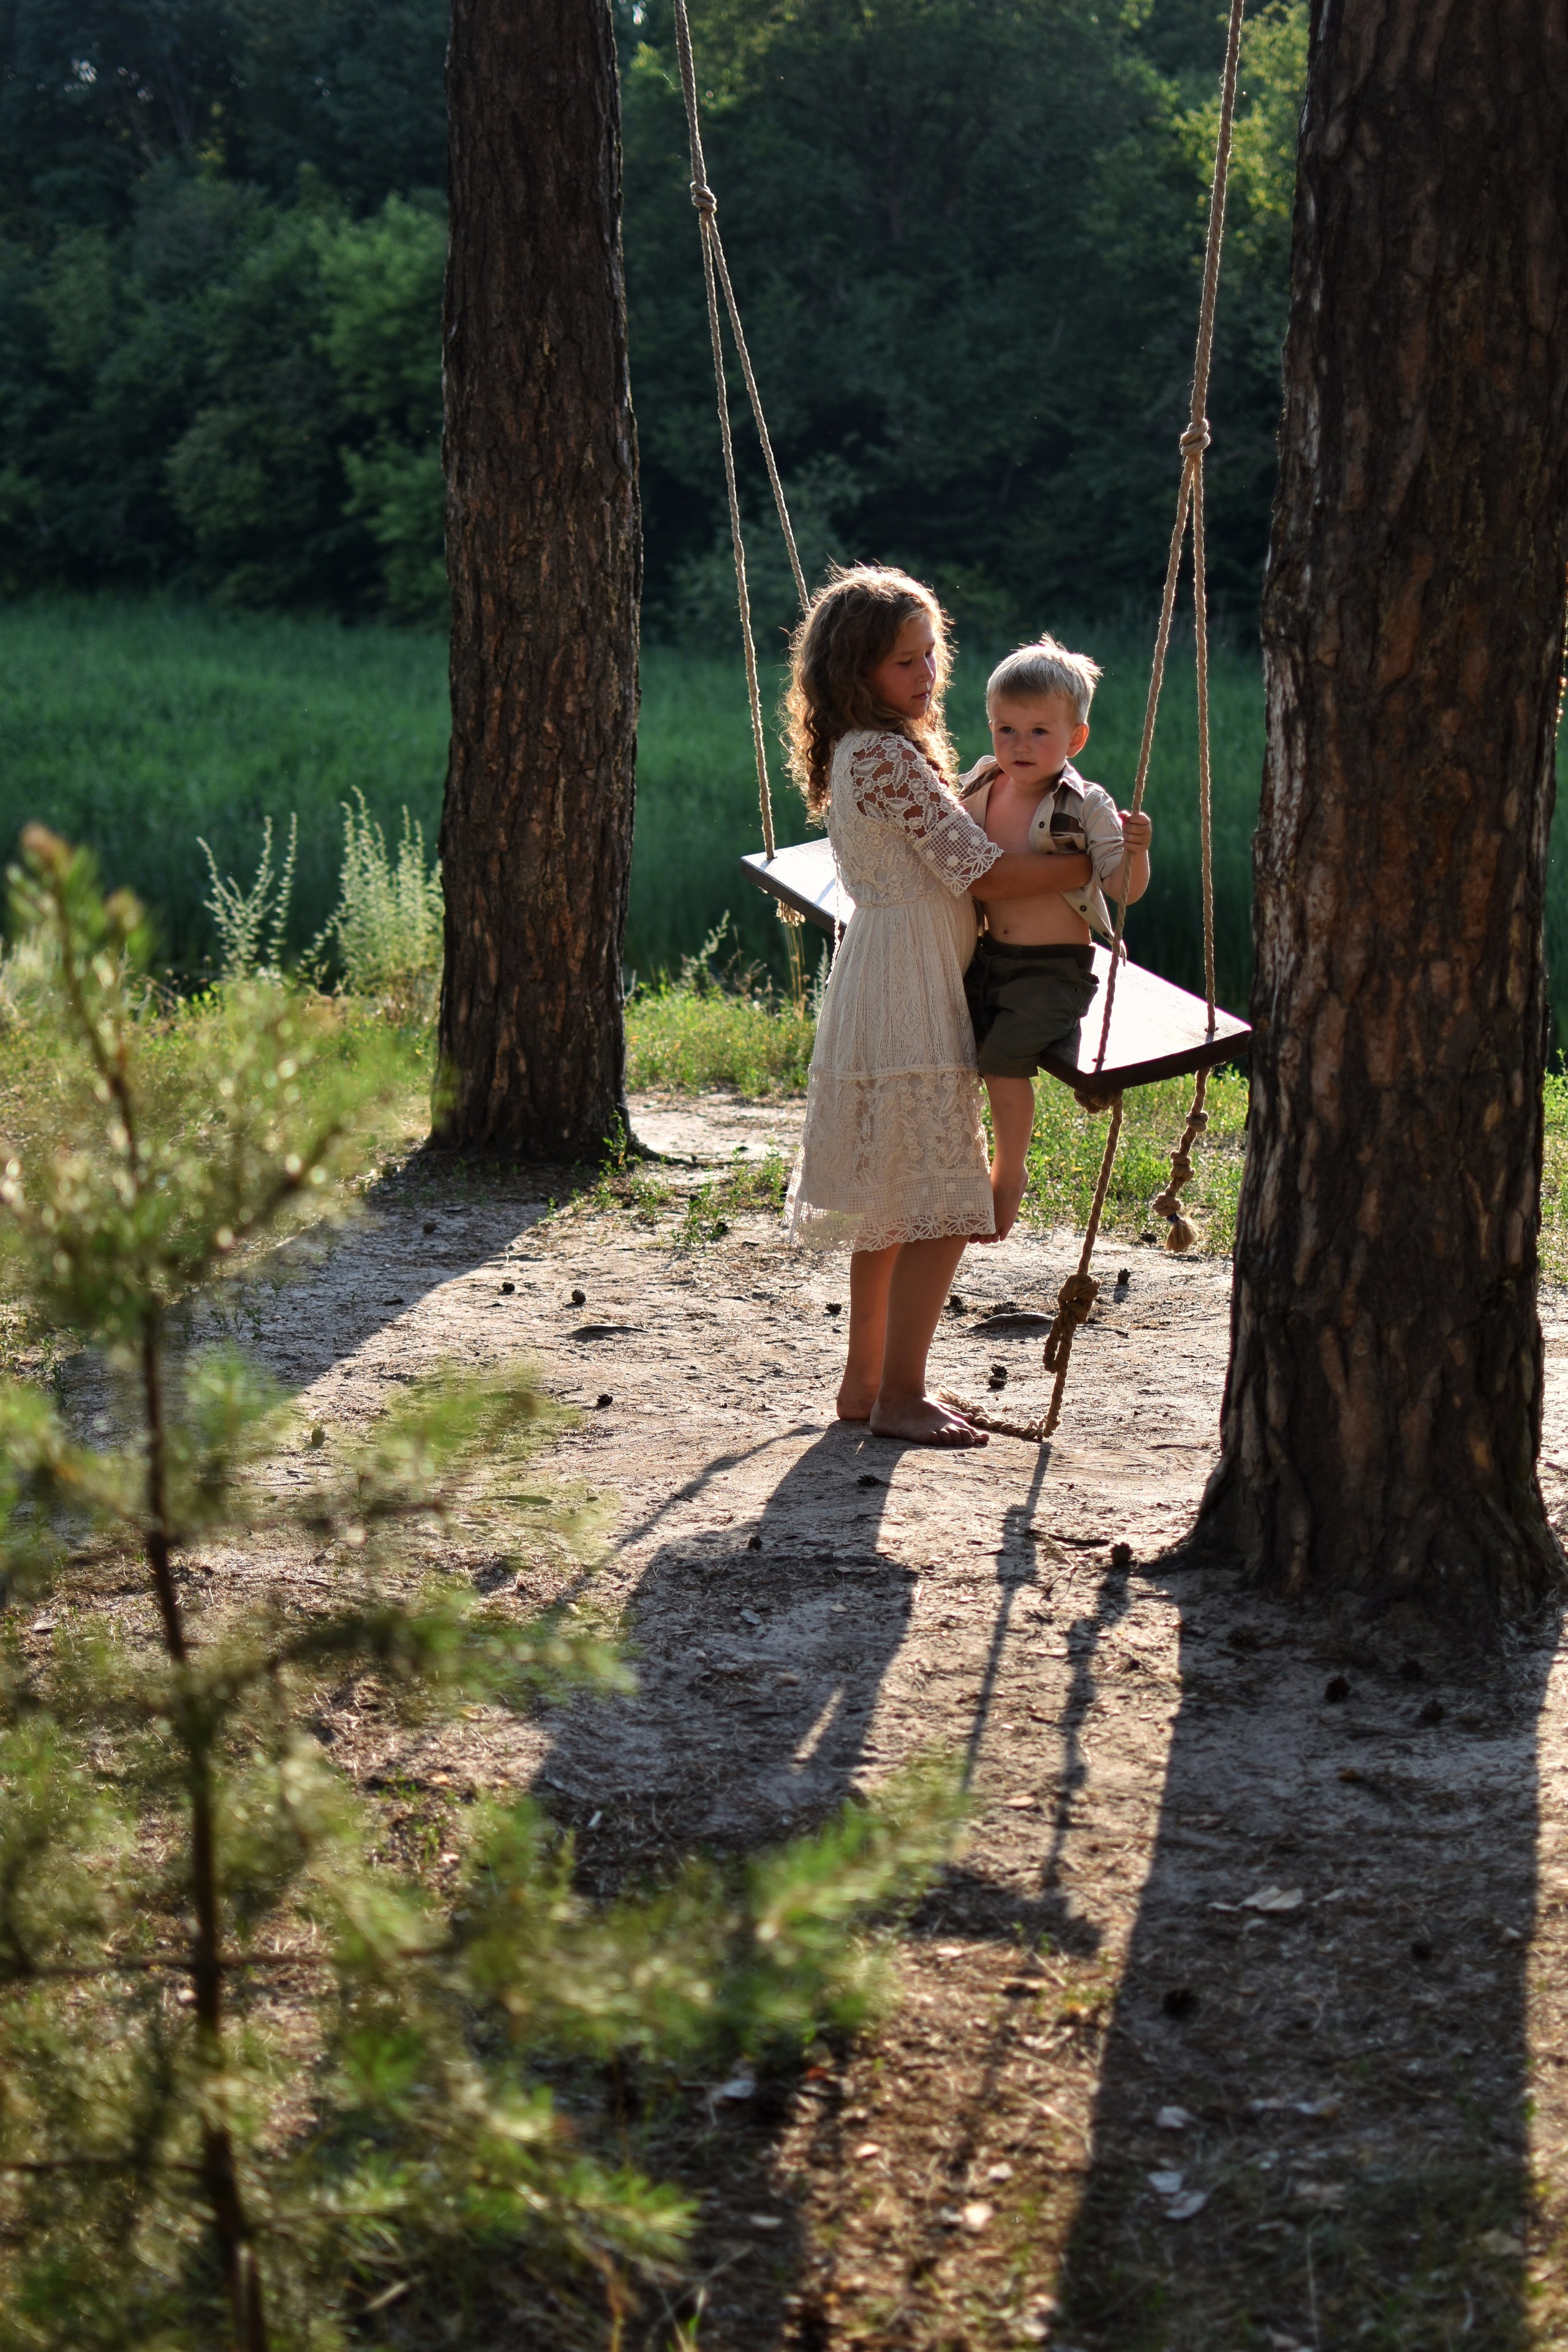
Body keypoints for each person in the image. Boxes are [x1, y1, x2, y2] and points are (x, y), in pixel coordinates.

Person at [783, 567, 1095, 1447]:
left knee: (893, 1198)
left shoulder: (868, 748)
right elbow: (986, 870)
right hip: (906, 982)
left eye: (930, 657)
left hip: (891, 969)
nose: (925, 677)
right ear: (854, 673)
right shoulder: (882, 755)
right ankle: (902, 1395)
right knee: (940, 1204)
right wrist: (1089, 865)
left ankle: (866, 1382)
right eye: (902, 664)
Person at [959, 639, 1153, 1238]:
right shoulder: (982, 784)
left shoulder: (1085, 803)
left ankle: (1006, 1176)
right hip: (990, 958)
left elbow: (1123, 888)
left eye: (1039, 732)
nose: (1019, 746)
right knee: (951, 1050)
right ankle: (950, 1171)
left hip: (1054, 970)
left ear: (1075, 740)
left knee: (1002, 1065)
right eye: (1005, 728)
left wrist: (1137, 853)